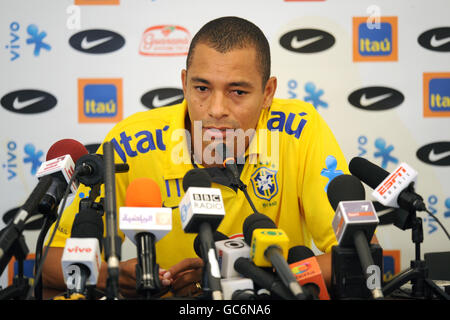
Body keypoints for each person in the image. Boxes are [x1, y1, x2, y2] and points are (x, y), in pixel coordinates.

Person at [42, 16, 377, 299]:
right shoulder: (129, 142)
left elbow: (361, 254)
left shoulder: (301, 129)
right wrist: (105, 274)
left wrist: (240, 284)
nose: (216, 110)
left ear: (268, 93)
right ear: (185, 83)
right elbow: (50, 263)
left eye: (238, 92)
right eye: (202, 89)